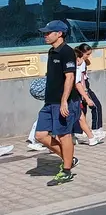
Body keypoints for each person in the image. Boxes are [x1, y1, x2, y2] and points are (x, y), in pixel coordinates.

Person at [33, 21, 80, 185]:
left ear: (59, 33)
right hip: (50, 102)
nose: (45, 35)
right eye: (44, 33)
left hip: (64, 102)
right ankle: (68, 158)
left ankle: (66, 171)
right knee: (40, 135)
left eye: (48, 33)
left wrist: (64, 102)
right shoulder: (52, 51)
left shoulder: (67, 52)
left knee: (63, 135)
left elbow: (70, 77)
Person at [74, 44, 105, 146]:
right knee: (95, 106)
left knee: (82, 112)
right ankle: (95, 130)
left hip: (84, 86)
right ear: (82, 53)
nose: (88, 56)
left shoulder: (82, 61)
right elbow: (80, 80)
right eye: (87, 54)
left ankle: (80, 132)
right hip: (83, 87)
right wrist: (85, 93)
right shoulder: (79, 63)